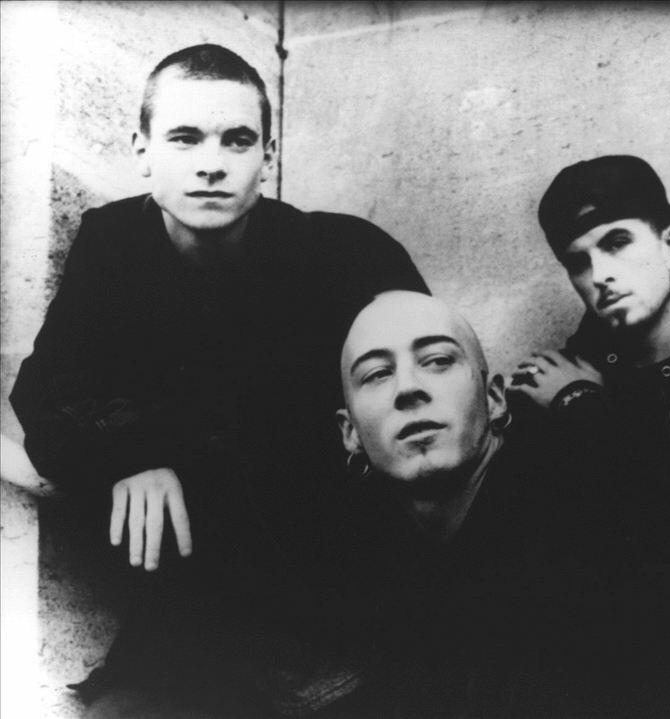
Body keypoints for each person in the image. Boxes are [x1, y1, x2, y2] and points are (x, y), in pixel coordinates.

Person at [9, 44, 427, 717]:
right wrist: (133, 453)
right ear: (143, 152)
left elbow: (433, 383)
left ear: (268, 155)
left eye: (237, 139)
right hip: (192, 609)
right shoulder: (114, 244)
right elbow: (45, 389)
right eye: (185, 137)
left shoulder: (342, 254)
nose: (212, 162)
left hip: (336, 604)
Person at [320, 290, 670, 718]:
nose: (409, 389)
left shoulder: (597, 517)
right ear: (349, 433)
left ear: (495, 399)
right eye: (376, 374)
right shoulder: (384, 561)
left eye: (438, 361)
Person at [510, 155, 670, 466]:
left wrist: (583, 405)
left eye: (617, 243)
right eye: (578, 263)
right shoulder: (548, 386)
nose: (599, 275)